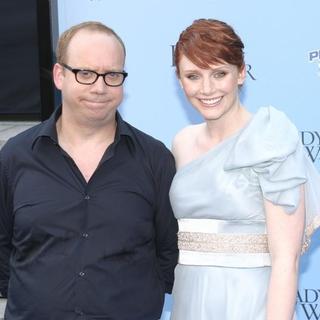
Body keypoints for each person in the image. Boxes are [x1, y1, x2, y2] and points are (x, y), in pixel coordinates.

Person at [0, 21, 178, 320]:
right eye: (85, 73)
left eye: (112, 75)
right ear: (59, 75)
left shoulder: (155, 159)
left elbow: (168, 255)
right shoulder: (15, 157)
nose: (99, 87)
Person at [169, 18, 320, 320]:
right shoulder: (181, 143)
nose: (207, 88)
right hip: (188, 301)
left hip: (249, 303)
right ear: (179, 79)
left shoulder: (270, 139)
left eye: (219, 73)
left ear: (240, 73)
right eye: (193, 76)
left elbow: (285, 261)